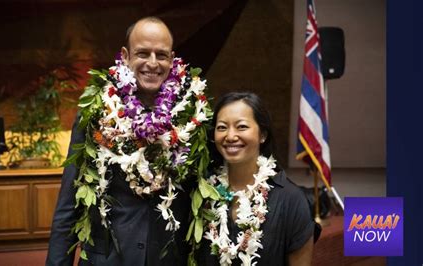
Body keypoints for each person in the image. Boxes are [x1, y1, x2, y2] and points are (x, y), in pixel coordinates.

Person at [47, 17, 210, 265]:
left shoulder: (194, 115)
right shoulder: (98, 113)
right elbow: (70, 203)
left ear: (172, 58)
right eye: (142, 53)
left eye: (162, 55)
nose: (152, 63)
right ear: (125, 55)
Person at [197, 92, 319, 266]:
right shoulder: (203, 192)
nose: (230, 136)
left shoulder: (291, 200)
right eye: (222, 127)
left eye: (241, 127)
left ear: (262, 135)